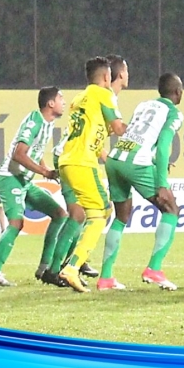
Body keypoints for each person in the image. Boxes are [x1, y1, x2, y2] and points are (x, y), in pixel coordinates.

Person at [44, 54, 130, 285]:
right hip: (82, 161)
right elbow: (119, 128)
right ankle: (73, 266)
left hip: (67, 161)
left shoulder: (80, 98)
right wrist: (142, 129)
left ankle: (66, 265)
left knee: (84, 215)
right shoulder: (104, 94)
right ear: (107, 76)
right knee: (101, 212)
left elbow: (97, 134)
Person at [98, 73, 184, 290]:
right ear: (178, 92)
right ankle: (154, 269)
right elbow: (163, 144)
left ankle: (106, 277)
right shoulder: (174, 113)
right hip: (136, 162)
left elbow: (138, 135)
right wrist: (162, 183)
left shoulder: (144, 105)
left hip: (115, 158)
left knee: (121, 216)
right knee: (171, 208)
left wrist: (154, 162)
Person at [0, 87, 68, 286]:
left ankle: (44, 267)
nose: (64, 102)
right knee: (16, 222)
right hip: (10, 177)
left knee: (60, 214)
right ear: (50, 103)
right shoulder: (35, 120)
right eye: (61, 98)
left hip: (25, 181)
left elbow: (35, 153)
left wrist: (48, 170)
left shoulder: (48, 124)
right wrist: (44, 172)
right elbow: (19, 154)